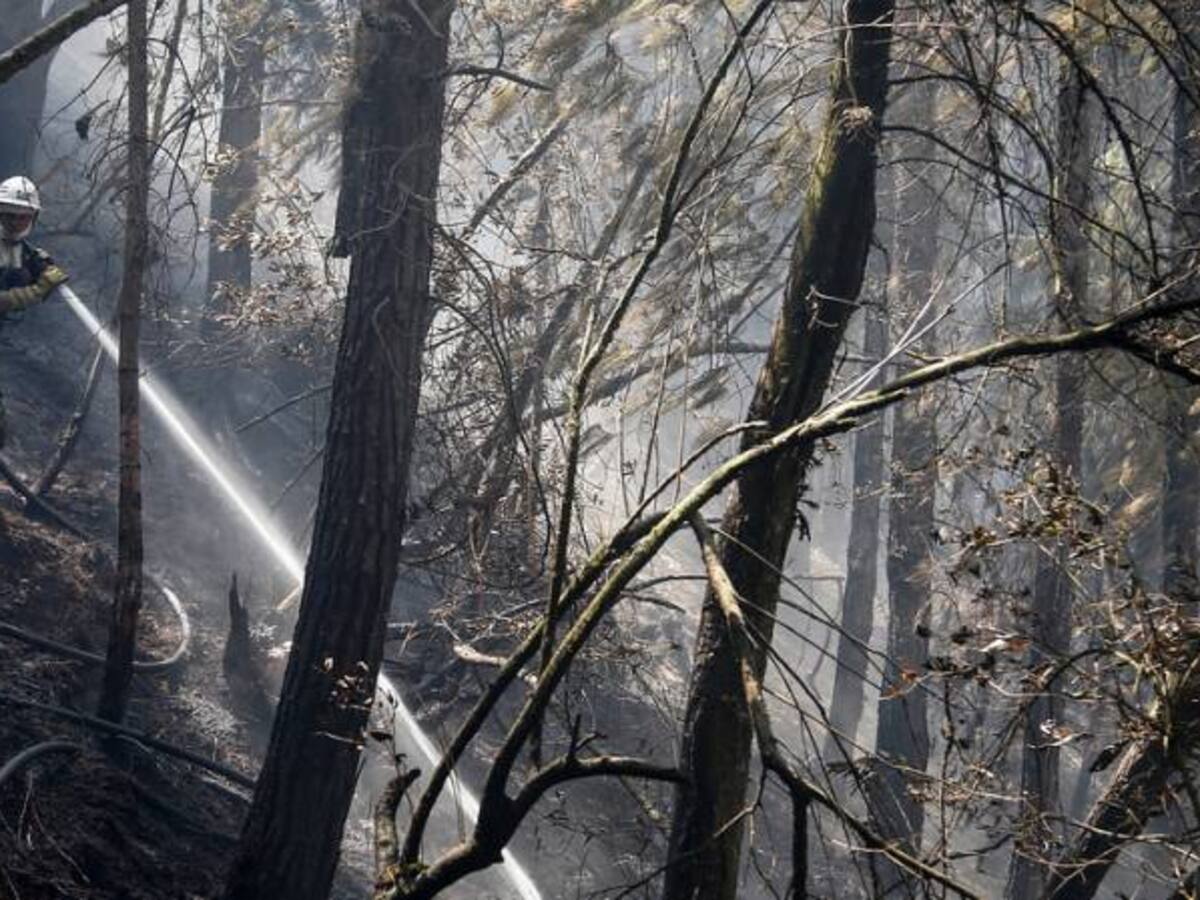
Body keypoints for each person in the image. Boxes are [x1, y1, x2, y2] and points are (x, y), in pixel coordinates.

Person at [0, 176, 68, 449]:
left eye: (23, 217)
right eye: (10, 215)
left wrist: (43, 268)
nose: (16, 222)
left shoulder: (19, 250)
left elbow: (17, 272)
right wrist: (38, 290)